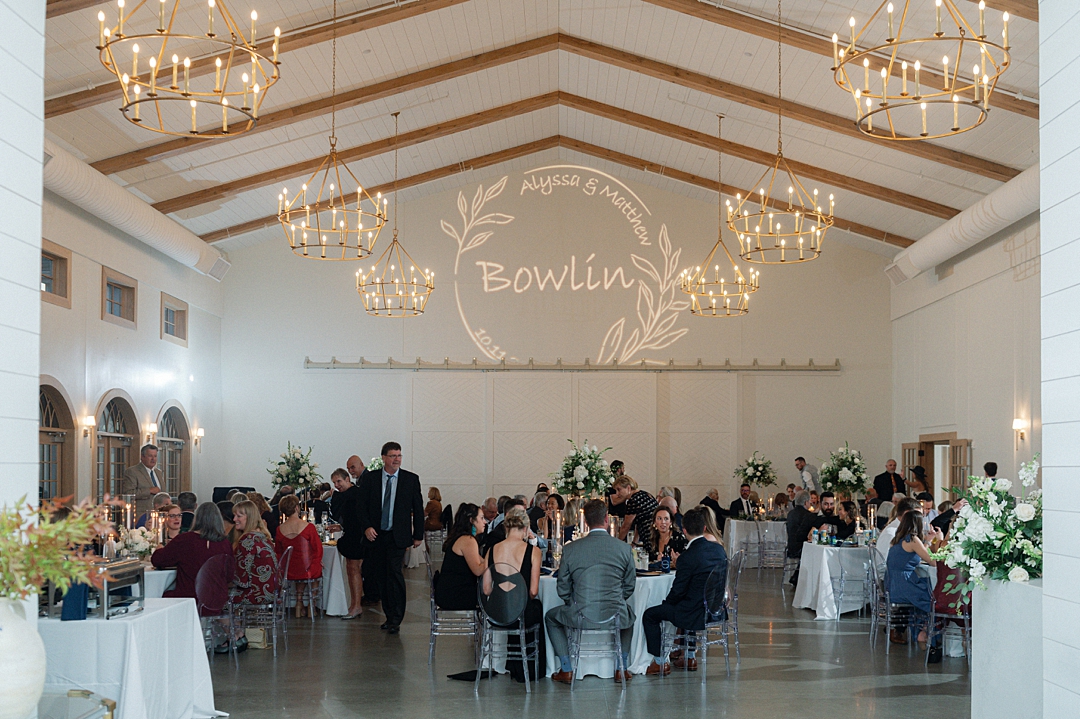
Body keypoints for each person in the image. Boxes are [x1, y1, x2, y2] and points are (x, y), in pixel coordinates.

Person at [545, 499, 636, 685]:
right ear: (605, 519)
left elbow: (562, 586)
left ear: (585, 522)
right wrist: (614, 601)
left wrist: (575, 602)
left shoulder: (570, 549)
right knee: (629, 616)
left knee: (550, 617)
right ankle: (621, 667)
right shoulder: (624, 549)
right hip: (615, 614)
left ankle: (566, 668)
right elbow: (629, 586)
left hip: (580, 614)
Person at [643, 508, 728, 675]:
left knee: (650, 615)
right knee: (692, 600)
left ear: (684, 530)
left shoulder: (688, 557)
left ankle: (660, 662)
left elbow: (678, 591)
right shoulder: (719, 550)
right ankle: (690, 657)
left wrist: (666, 604)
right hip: (715, 610)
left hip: (693, 613)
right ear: (704, 528)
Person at [359, 442, 424, 635]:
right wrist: (366, 527)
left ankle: (397, 617)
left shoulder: (410, 479)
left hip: (398, 536)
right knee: (381, 575)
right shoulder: (370, 479)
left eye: (399, 455)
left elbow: (418, 508)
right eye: (393, 456)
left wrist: (418, 535)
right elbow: (361, 507)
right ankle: (389, 615)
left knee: (394, 574)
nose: (397, 459)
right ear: (384, 458)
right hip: (377, 536)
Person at [486, 507, 546, 682]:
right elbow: (533, 592)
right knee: (537, 607)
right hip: (521, 613)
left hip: (497, 613)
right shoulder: (533, 552)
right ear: (526, 529)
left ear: (506, 528)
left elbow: (486, 590)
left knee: (518, 606)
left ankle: (512, 665)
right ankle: (531, 668)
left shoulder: (492, 550)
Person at [887, 509, 944, 661]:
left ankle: (921, 632)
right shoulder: (912, 539)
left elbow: (919, 553)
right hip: (905, 585)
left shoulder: (899, 539)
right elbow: (933, 561)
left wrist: (926, 541)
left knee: (927, 588)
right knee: (936, 598)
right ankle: (926, 633)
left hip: (893, 584)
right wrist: (939, 540)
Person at [151, 502, 233, 599]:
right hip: (216, 600)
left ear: (197, 518)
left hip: (189, 599)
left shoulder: (185, 540)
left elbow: (157, 560)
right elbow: (229, 575)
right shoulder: (225, 543)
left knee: (156, 595)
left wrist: (159, 549)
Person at [230, 500, 279, 628]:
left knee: (216, 599)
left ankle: (234, 636)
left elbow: (242, 579)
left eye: (239, 516)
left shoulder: (247, 540)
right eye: (234, 515)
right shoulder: (263, 537)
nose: (234, 519)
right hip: (270, 590)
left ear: (249, 517)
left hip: (257, 593)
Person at [274, 494, 323, 617]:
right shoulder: (309, 527)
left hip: (288, 571)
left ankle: (298, 603)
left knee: (297, 566)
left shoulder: (280, 529)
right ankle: (312, 605)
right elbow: (318, 550)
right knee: (313, 566)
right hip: (307, 570)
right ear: (297, 508)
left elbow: (278, 552)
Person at [328, 468, 367, 619]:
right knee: (352, 570)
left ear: (347, 479)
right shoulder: (347, 495)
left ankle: (356, 605)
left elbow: (359, 516)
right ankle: (354, 604)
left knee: (354, 569)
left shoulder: (355, 494)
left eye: (339, 481)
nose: (337, 485)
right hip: (352, 534)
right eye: (334, 482)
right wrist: (341, 527)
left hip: (357, 537)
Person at [434, 503, 487, 610]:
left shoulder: (462, 537)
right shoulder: (468, 540)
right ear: (472, 520)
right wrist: (493, 554)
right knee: (492, 596)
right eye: (481, 518)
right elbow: (478, 570)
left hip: (447, 591)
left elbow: (481, 561)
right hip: (454, 595)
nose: (484, 522)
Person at [611, 476, 659, 555]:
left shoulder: (633, 500)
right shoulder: (645, 494)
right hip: (656, 535)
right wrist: (634, 543)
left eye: (619, 490)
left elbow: (626, 526)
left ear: (628, 488)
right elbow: (640, 522)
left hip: (650, 537)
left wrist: (616, 544)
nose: (617, 494)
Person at [875, 497, 921, 568]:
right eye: (917, 516)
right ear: (906, 514)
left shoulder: (900, 528)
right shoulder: (892, 533)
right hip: (888, 575)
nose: (919, 520)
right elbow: (886, 562)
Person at [122, 444, 164, 515]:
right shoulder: (132, 471)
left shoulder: (158, 472)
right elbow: (128, 493)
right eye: (150, 456)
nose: (153, 459)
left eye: (155, 456)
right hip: (142, 514)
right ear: (142, 457)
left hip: (160, 513)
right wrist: (149, 490)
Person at [786, 490, 812, 586]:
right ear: (806, 502)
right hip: (801, 548)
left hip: (791, 546)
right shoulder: (807, 515)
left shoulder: (790, 514)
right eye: (809, 502)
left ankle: (796, 576)